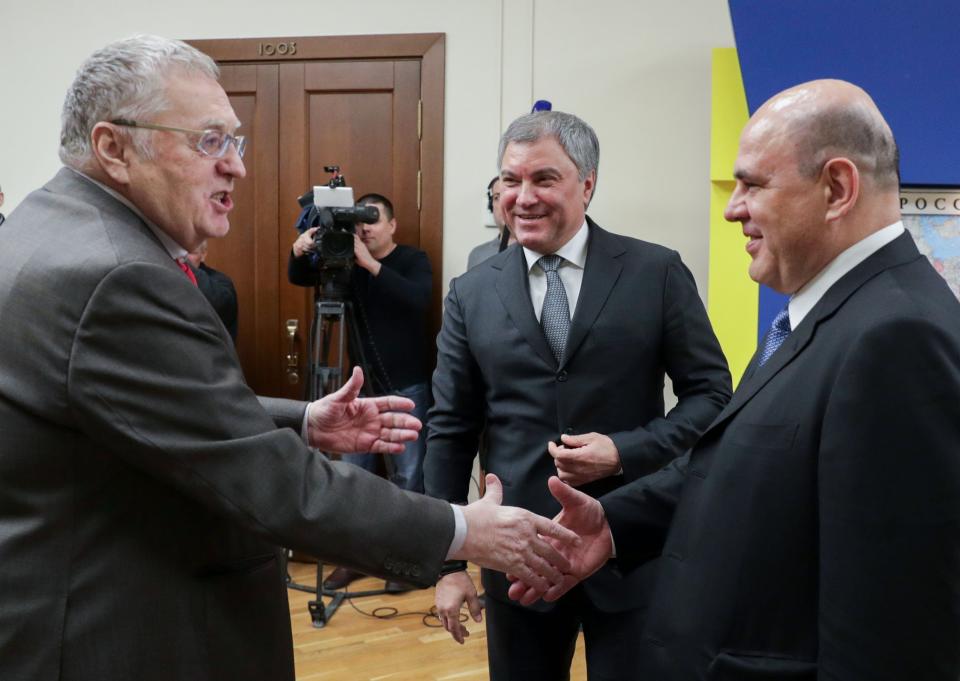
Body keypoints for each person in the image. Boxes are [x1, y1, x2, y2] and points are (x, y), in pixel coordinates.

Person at [0, 35, 581, 681]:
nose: (237, 167)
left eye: (236, 142)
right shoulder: (114, 273)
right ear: (114, 147)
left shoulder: (50, 224)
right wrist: (461, 530)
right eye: (209, 141)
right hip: (116, 628)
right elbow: (274, 483)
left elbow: (150, 406)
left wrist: (303, 419)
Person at [511, 80, 960, 681]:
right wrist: (614, 522)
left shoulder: (899, 338)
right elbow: (734, 466)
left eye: (752, 184)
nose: (732, 206)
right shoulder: (829, 312)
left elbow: (894, 629)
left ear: (837, 188)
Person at [425, 110, 732, 679]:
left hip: (632, 544)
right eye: (510, 180)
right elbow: (450, 426)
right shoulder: (471, 292)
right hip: (518, 554)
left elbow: (713, 397)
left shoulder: (656, 272)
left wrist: (625, 450)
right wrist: (446, 561)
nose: (523, 197)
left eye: (544, 179)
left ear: (587, 184)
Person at [289, 192, 432, 592]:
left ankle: (404, 562)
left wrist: (370, 265)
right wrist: (298, 251)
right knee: (351, 477)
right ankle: (354, 560)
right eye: (360, 221)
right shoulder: (344, 262)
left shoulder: (412, 260)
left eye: (373, 219)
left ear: (392, 225)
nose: (365, 227)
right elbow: (298, 278)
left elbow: (417, 299)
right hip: (359, 390)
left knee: (408, 478)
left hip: (407, 384)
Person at [187, 240, 239, 343]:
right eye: (181, 252)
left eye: (191, 252)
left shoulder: (220, 282)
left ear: (203, 255)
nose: (185, 257)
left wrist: (183, 266)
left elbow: (221, 304)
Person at [466, 176, 515, 269]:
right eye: (497, 197)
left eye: (509, 195)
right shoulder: (478, 255)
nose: (504, 204)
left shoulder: (537, 251)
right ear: (490, 206)